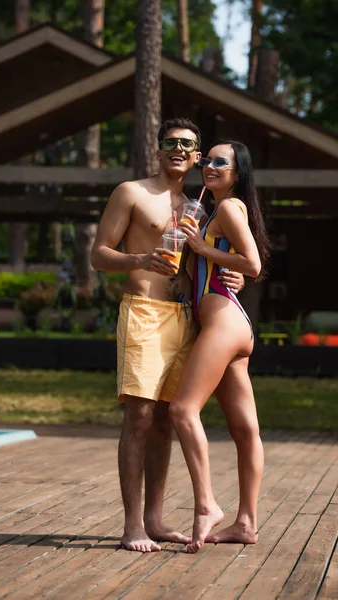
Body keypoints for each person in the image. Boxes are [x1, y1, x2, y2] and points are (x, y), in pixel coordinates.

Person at [90, 118, 245, 553]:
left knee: (166, 420)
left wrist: (237, 279)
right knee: (139, 417)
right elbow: (98, 255)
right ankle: (132, 525)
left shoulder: (203, 206)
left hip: (188, 317)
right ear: (159, 151)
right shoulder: (132, 193)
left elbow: (224, 260)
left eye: (188, 145)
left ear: (197, 157)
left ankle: (156, 520)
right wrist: (140, 257)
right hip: (143, 311)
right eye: (171, 143)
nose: (179, 149)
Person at [169, 138, 271, 553]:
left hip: (224, 323)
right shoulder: (217, 210)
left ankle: (207, 506)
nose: (209, 166)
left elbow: (253, 263)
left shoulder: (228, 208)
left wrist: (202, 248)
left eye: (220, 162)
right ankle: (246, 523)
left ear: (237, 172)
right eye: (207, 161)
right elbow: (238, 265)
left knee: (182, 409)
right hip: (232, 324)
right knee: (245, 430)